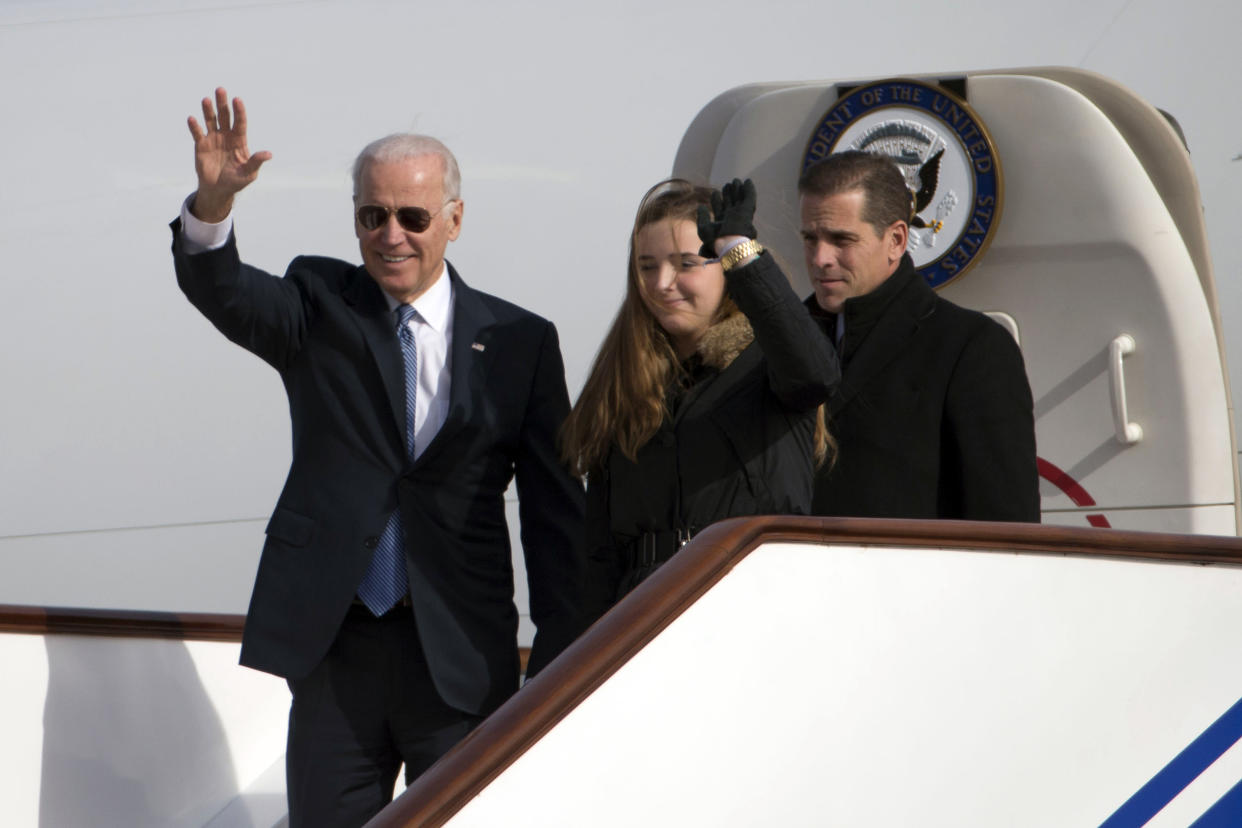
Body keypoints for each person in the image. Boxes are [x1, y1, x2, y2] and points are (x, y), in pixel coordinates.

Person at [170, 88, 585, 827]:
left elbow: (554, 518)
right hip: (337, 652)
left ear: (455, 221)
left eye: (413, 217)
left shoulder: (522, 342)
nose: (391, 235)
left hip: (460, 657)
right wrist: (212, 204)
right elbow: (222, 288)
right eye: (373, 215)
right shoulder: (318, 304)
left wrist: (558, 664)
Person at [562, 179, 840, 621]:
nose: (662, 283)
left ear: (725, 269)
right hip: (642, 616)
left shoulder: (770, 361)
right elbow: (599, 552)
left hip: (753, 603)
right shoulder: (623, 381)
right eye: (647, 266)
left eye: (685, 264)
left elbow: (816, 375)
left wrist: (740, 251)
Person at [798, 150, 1040, 521]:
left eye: (841, 240)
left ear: (896, 240)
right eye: (810, 239)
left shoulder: (970, 347)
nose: (820, 258)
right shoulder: (779, 342)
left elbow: (1006, 527)